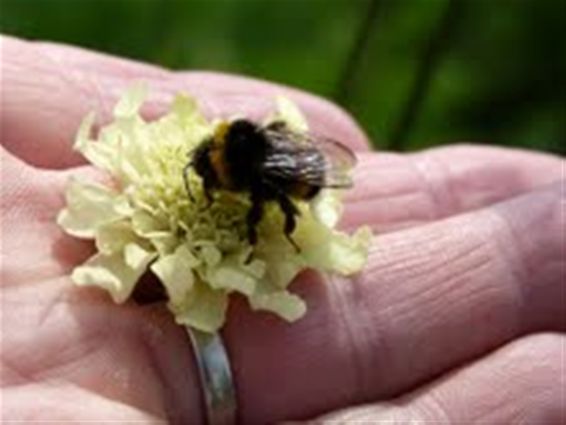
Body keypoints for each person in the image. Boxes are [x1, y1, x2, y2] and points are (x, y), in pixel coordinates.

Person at [1, 35, 564, 424]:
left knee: (271, 204)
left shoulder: (253, 171)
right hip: (266, 178)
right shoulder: (229, 151)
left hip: (296, 177)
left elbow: (284, 164)